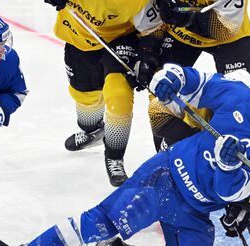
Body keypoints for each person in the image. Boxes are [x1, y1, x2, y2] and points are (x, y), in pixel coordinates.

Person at [0, 64, 250, 246]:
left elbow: (230, 193)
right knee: (101, 221)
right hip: (164, 177)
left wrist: (228, 166)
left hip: (195, 210)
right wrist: (171, 77)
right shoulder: (240, 100)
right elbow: (197, 82)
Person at [133, 0, 250, 246]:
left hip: (228, 34)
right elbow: (152, 15)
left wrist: (185, 15)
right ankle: (169, 178)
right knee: (159, 101)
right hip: (180, 35)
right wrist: (148, 50)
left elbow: (225, 27)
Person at [42, 0, 162, 186]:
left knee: (119, 93)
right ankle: (93, 130)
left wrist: (147, 56)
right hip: (79, 36)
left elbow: (153, 28)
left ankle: (114, 157)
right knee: (85, 98)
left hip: (121, 38)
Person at [0, 12, 28, 128]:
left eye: (3, 45)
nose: (3, 52)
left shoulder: (9, 61)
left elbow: (17, 92)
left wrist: (2, 106)